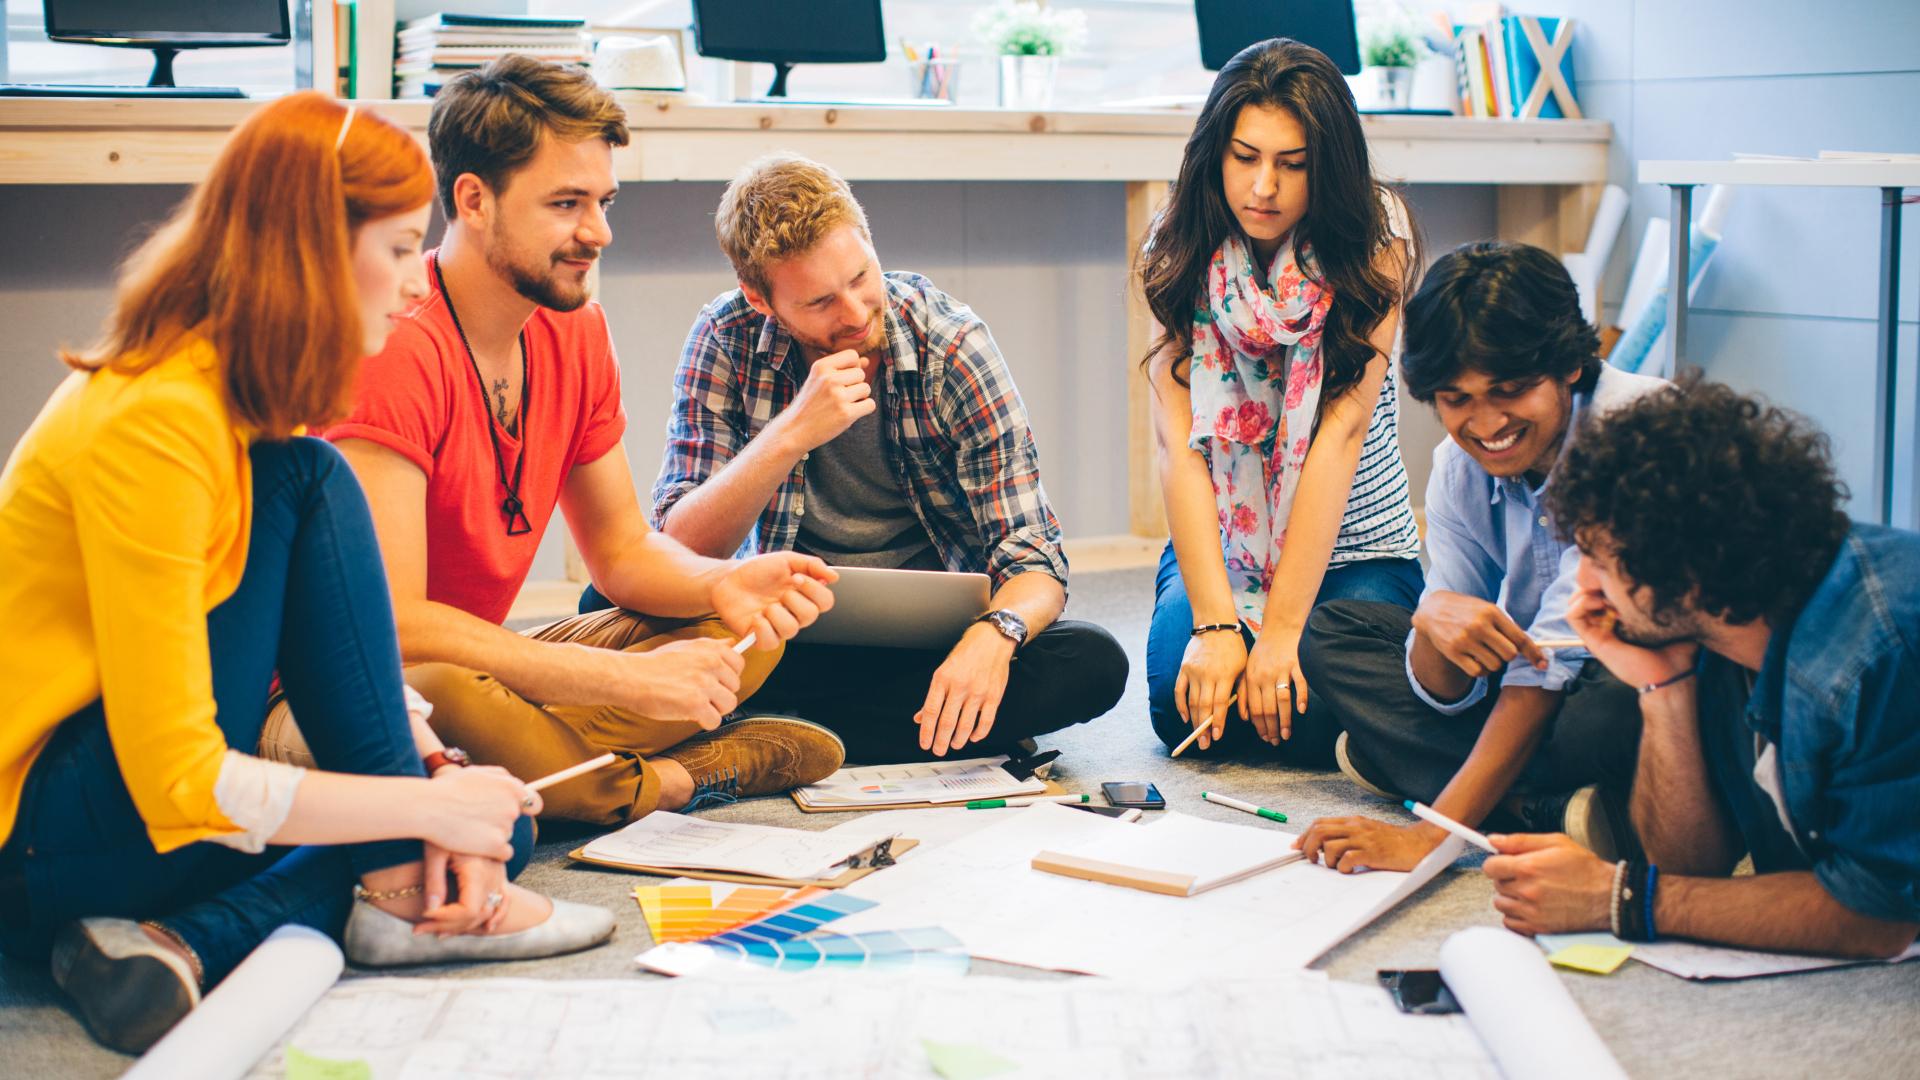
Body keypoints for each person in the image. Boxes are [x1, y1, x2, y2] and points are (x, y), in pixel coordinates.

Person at [0, 93, 611, 1056]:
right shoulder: (154, 421)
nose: (417, 286)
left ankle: (201, 936)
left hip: (131, 814)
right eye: (403, 248)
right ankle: (324, 906)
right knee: (434, 833)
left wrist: (437, 776)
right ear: (314, 251)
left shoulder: (232, 403)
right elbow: (181, 781)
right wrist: (421, 806)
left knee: (484, 829)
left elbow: (326, 653)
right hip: (43, 843)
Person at [278, 58, 847, 825]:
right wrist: (611, 682)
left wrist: (720, 585)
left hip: (485, 668)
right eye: (566, 203)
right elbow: (394, 623)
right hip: (348, 683)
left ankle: (538, 768)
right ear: (473, 201)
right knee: (443, 689)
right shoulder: (396, 345)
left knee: (740, 633)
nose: (599, 233)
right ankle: (670, 782)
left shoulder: (576, 328)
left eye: (604, 201)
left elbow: (620, 554)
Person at [603, 151, 1127, 762]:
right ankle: (885, 731)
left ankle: (769, 733)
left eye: (860, 278)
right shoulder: (726, 337)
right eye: (820, 303)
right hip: (777, 630)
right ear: (760, 299)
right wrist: (790, 432)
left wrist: (994, 635)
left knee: (1090, 661)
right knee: (612, 603)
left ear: (871, 245)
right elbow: (681, 548)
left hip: (927, 642)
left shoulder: (951, 346)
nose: (854, 315)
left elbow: (1033, 557)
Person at [1482, 380, 1919, 958]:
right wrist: (1662, 688)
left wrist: (1621, 896)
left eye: (1597, 560)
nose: (1582, 587)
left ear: (1680, 574)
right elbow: (1691, 863)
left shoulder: (1878, 651)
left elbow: (1880, 918)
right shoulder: (1719, 628)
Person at [1294, 242, 1665, 873]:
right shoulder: (1457, 466)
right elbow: (1448, 681)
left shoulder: (1636, 433)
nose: (1485, 423)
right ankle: (1537, 807)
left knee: (1604, 715)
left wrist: (1434, 838)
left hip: (1642, 677)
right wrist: (1434, 622)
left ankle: (1422, 770)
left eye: (1510, 390)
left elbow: (1545, 671)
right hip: (1532, 676)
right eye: (1456, 398)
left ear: (1570, 366)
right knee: (1334, 632)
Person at [1137, 38, 1425, 762]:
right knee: (1186, 707)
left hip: (1358, 547)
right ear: (1216, 155)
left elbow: (1341, 434)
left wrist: (1285, 633)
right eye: (1245, 157)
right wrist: (1217, 627)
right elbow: (1179, 446)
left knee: (1311, 699)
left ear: (1327, 168)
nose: (1263, 187)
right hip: (1228, 548)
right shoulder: (1174, 244)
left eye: (1292, 165)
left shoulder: (1376, 240)